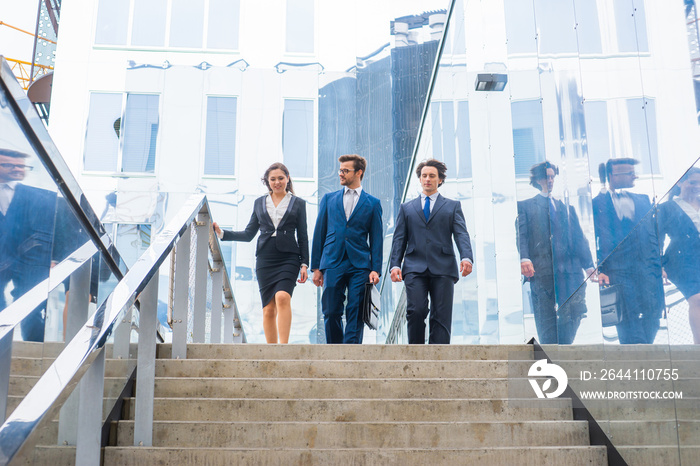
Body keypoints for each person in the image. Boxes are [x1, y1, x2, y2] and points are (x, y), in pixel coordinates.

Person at [213, 163, 308, 344]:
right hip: (265, 259)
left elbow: (303, 236)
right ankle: (271, 352)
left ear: (287, 178)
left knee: (282, 296)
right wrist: (222, 233)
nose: (277, 182)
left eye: (281, 178)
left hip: (289, 258)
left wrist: (304, 264)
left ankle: (284, 347)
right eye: (272, 179)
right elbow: (249, 234)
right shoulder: (259, 203)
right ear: (267, 182)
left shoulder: (298, 203)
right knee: (268, 309)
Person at [389, 159, 473, 344]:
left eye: (432, 176)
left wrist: (466, 257)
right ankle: (416, 354)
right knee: (416, 310)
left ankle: (439, 358)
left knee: (441, 316)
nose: (427, 179)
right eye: (424, 176)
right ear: (419, 179)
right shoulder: (406, 208)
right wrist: (395, 265)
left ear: (440, 180)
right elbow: (399, 239)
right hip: (414, 267)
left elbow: (461, 234)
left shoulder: (452, 206)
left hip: (443, 267)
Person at [517, 161, 597, 344]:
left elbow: (579, 239)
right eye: (547, 176)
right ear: (538, 179)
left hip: (570, 273)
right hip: (542, 272)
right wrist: (525, 258)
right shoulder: (526, 206)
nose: (551, 180)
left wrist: (589, 266)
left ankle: (563, 349)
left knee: (575, 313)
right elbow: (522, 235)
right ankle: (551, 354)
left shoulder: (567, 209)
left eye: (553, 176)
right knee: (545, 320)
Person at [311, 154, 383, 344]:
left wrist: (376, 268)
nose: (340, 174)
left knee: (356, 308)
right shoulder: (328, 199)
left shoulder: (373, 203)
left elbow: (376, 239)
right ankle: (334, 349)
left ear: (359, 172)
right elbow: (319, 233)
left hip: (360, 263)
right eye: (340, 170)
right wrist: (316, 267)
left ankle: (351, 350)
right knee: (330, 308)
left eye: (345, 170)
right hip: (332, 260)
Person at [593, 157, 664, 344]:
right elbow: (595, 239)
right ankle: (637, 356)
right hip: (618, 270)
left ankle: (643, 351)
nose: (635, 176)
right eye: (629, 173)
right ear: (612, 176)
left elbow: (653, 234)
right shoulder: (596, 203)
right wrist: (599, 269)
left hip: (647, 268)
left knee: (654, 312)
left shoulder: (643, 200)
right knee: (627, 316)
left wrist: (659, 265)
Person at [0, 148, 57, 341]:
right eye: (9, 165)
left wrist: (53, 256)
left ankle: (33, 345)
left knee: (30, 308)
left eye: (21, 166)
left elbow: (54, 226)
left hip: (31, 260)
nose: (17, 169)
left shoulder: (40, 195)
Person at [658, 167, 700, 343]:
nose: (697, 186)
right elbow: (657, 239)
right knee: (697, 300)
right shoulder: (666, 208)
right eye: (692, 182)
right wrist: (658, 266)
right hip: (682, 261)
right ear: (680, 182)